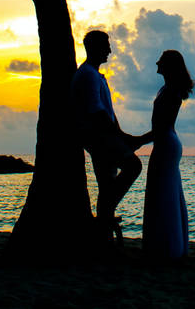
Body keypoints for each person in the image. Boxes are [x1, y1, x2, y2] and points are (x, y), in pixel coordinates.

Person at [71, 29, 151, 241]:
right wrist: (122, 137)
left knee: (108, 181)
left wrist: (123, 135)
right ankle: (105, 216)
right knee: (133, 166)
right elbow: (97, 113)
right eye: (105, 45)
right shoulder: (87, 74)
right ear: (95, 47)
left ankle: (104, 226)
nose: (109, 50)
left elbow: (107, 113)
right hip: (98, 139)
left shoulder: (94, 75)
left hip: (103, 137)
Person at [142, 50, 194, 259]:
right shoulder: (167, 90)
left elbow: (161, 127)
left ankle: (166, 248)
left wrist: (135, 141)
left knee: (163, 194)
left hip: (166, 143)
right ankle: (167, 246)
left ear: (169, 66)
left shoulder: (170, 92)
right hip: (166, 142)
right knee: (165, 193)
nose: (157, 62)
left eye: (161, 60)